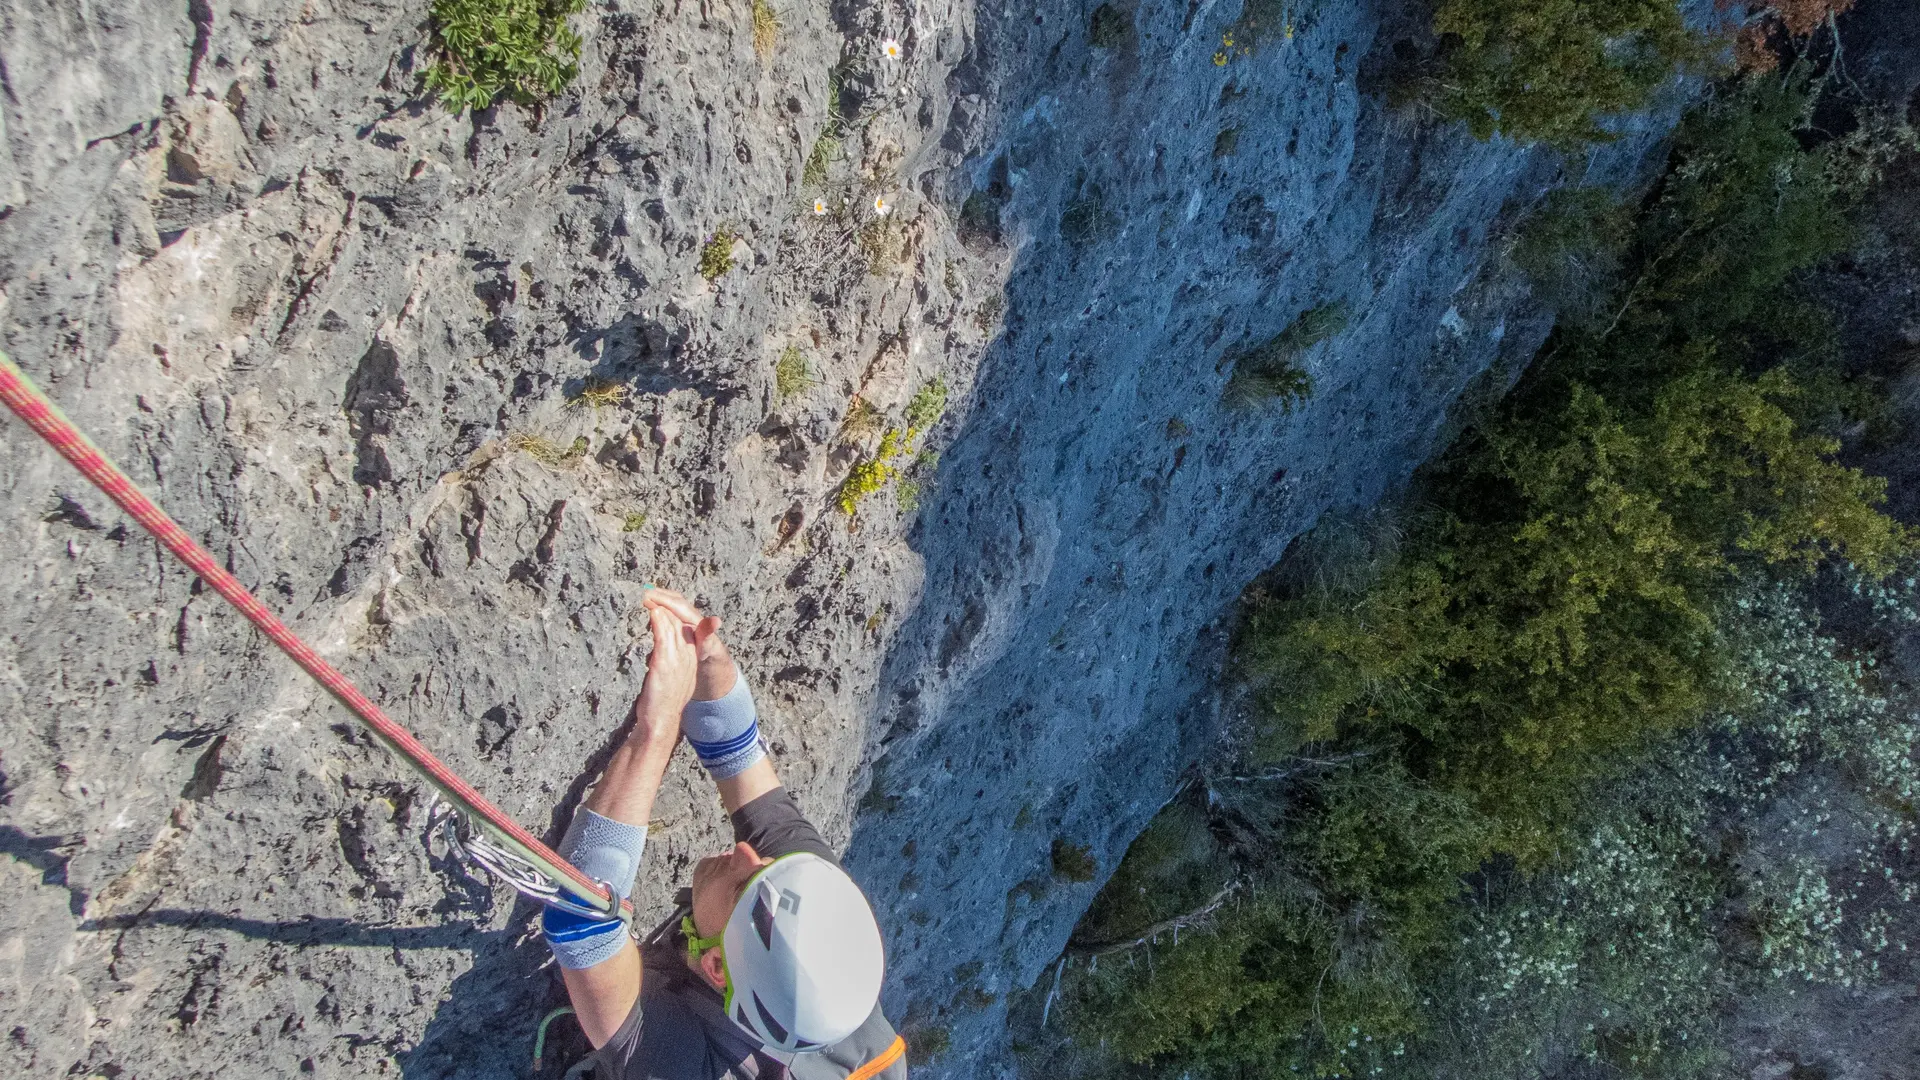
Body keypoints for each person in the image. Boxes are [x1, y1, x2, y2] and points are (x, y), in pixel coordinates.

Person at [539, 587, 907, 1080]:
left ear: (716, 966)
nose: (748, 852)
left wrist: (657, 728)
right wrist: (709, 665)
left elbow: (582, 926)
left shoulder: (688, 1068)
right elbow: (739, 757)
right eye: (769, 866)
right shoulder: (812, 917)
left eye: (742, 885)